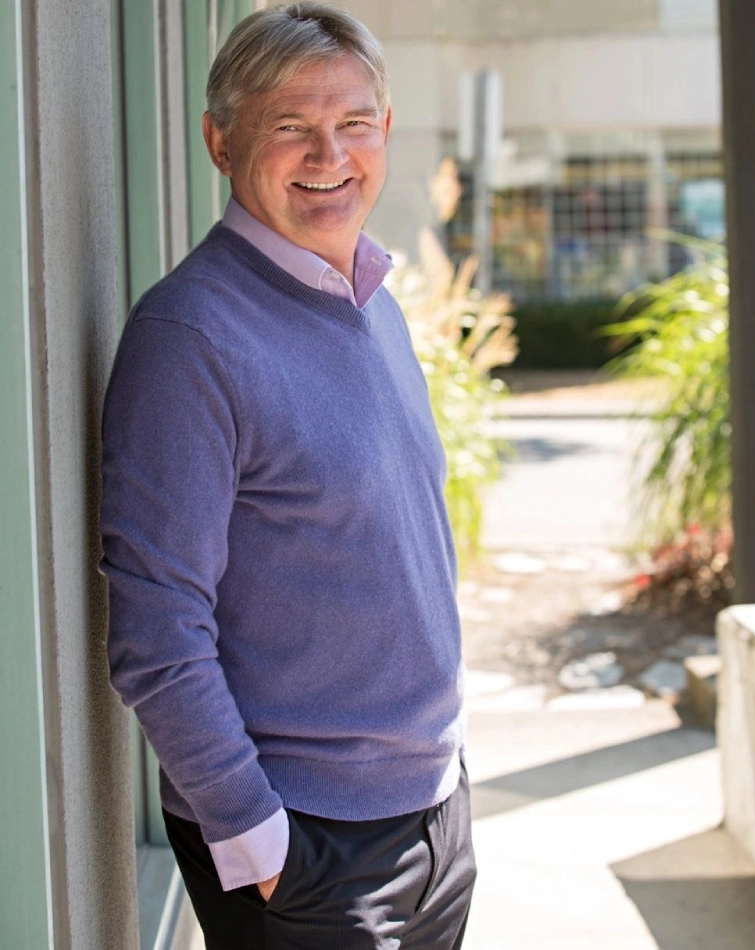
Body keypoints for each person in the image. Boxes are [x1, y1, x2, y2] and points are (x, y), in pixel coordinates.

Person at [100, 3, 476, 948]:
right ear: (219, 142)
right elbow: (154, 628)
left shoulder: (372, 300)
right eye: (289, 126)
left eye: (353, 123)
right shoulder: (190, 339)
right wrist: (255, 838)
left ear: (385, 131)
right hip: (306, 849)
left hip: (432, 811)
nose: (329, 153)